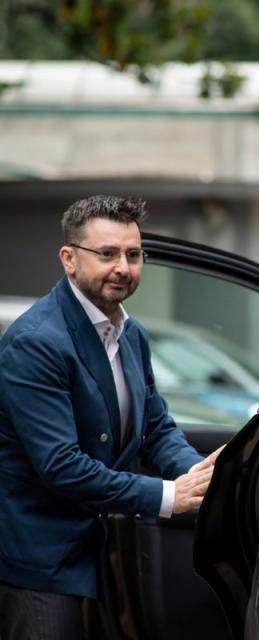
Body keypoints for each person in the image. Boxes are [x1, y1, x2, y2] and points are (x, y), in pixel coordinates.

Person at [0, 195, 221, 640]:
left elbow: (155, 428)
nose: (123, 266)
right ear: (69, 258)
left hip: (102, 554)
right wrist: (167, 495)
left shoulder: (130, 332)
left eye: (133, 254)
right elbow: (62, 466)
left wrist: (198, 475)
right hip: (39, 564)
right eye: (106, 254)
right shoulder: (37, 342)